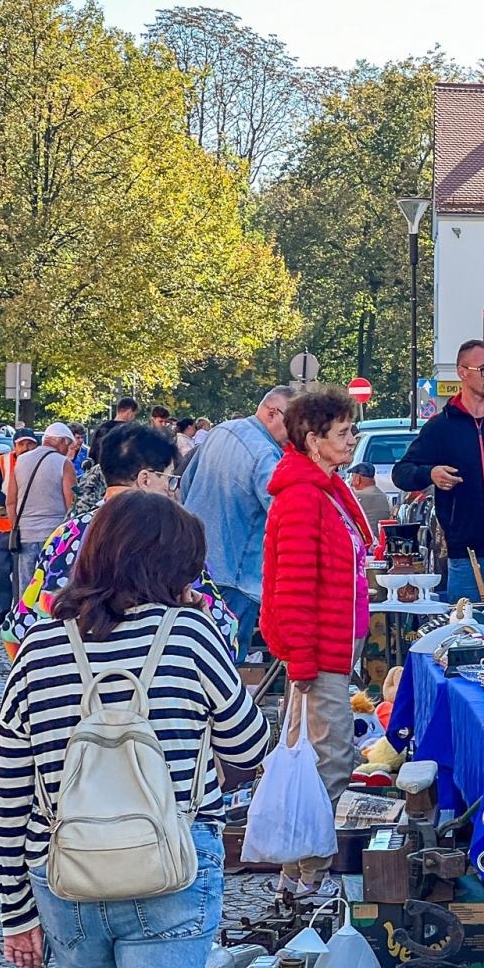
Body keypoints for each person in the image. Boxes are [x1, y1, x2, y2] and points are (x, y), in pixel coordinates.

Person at [0, 492, 269, 968]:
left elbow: (10, 789)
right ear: (173, 568)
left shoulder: (39, 647)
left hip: (64, 872)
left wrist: (15, 912)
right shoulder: (190, 635)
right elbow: (249, 748)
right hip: (174, 863)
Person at [262, 386, 371, 901]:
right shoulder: (305, 497)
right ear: (313, 440)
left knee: (319, 761)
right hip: (318, 655)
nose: (353, 439)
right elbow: (293, 588)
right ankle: (310, 878)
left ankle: (297, 874)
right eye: (343, 432)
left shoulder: (325, 488)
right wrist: (302, 662)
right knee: (329, 762)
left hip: (330, 648)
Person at [4, 423, 236, 658]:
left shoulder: (66, 535)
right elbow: (224, 631)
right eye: (170, 480)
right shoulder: (173, 537)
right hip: (155, 686)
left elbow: (18, 630)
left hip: (75, 686)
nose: (173, 491)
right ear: (145, 479)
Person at [394, 340, 484, 601]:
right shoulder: (441, 427)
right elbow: (402, 472)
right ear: (462, 372)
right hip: (465, 556)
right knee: (469, 633)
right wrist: (430, 474)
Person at [179, 386, 295, 662]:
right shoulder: (266, 455)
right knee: (227, 660)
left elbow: (186, 482)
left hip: (195, 564)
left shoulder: (222, 430)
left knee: (198, 653)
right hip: (238, 575)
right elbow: (283, 513)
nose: (296, 435)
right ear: (271, 413)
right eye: (294, 424)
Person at [6, 422, 76, 593]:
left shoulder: (20, 461)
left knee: (28, 589)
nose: (68, 451)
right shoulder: (64, 464)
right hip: (55, 536)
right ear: (61, 442)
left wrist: (17, 526)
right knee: (53, 589)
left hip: (26, 535)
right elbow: (72, 504)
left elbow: (10, 501)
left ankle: (25, 618)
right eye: (68, 446)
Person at [0, 428, 37, 622]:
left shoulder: (40, 464)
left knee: (22, 571)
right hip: (0, 525)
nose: (26, 448)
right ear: (14, 446)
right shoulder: (3, 462)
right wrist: (9, 505)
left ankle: (17, 611)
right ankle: (1, 606)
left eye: (30, 444)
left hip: (27, 526)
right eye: (22, 444)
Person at [70, 418, 122, 517]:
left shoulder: (85, 453)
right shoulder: (100, 470)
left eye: (82, 437)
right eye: (78, 437)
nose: (81, 441)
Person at [348, 461, 394, 530]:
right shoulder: (381, 494)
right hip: (380, 536)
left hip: (366, 538)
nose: (351, 480)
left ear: (358, 479)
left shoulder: (358, 496)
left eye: (352, 476)